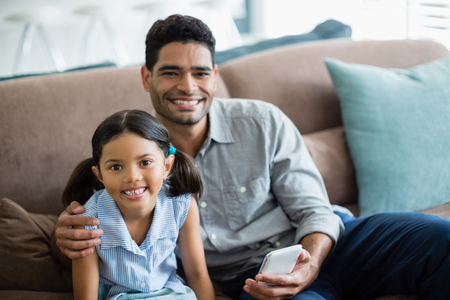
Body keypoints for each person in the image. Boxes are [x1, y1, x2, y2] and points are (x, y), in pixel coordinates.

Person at [55, 14, 450, 300]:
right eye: (171, 73)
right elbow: (99, 226)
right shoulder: (130, 156)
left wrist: (310, 261)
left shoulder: (262, 121)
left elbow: (314, 209)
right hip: (254, 281)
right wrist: (66, 234)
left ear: (214, 74)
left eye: (201, 72)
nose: (188, 86)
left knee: (440, 237)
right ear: (147, 77)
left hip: (333, 243)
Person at [63, 109, 214, 300]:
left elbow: (198, 276)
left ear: (166, 166)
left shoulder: (182, 205)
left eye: (145, 162)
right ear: (99, 175)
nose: (132, 177)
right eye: (116, 167)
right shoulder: (88, 220)